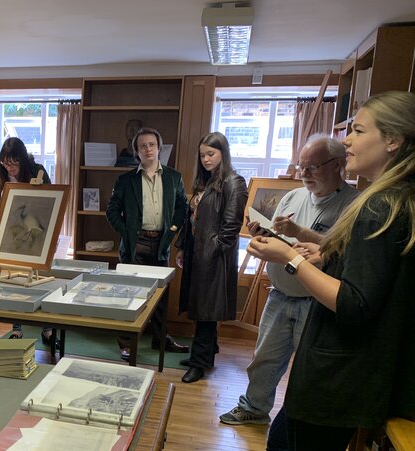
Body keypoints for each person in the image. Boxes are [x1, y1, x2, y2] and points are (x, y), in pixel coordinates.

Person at [242, 91, 415, 451]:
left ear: (394, 140)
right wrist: (316, 248)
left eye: (358, 130)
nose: (348, 139)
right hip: (361, 368)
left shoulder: (379, 205)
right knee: (288, 447)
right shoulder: (396, 200)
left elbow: (358, 302)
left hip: (340, 367)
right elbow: (371, 277)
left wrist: (290, 260)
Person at [219, 135, 359, 425]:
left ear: (337, 166)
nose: (303, 173)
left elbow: (347, 251)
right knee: (264, 359)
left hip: (317, 301)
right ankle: (254, 408)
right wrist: (262, 233)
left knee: (311, 367)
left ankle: (304, 419)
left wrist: (301, 232)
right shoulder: (293, 196)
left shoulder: (355, 205)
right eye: (300, 166)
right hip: (280, 293)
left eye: (312, 167)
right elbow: (278, 239)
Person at [106, 126, 189, 361]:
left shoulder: (174, 177)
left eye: (152, 144)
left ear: (159, 148)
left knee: (160, 297)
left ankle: (160, 338)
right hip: (135, 244)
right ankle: (126, 343)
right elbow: (111, 210)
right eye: (142, 146)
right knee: (128, 294)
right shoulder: (125, 180)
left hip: (161, 243)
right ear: (137, 151)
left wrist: (172, 230)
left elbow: (183, 206)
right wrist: (126, 232)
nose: (148, 149)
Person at [176, 131, 247, 383]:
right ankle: (205, 354)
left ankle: (199, 362)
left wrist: (212, 251)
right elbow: (192, 220)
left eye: (211, 154)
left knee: (206, 311)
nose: (206, 159)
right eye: (202, 155)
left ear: (222, 153)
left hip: (214, 258)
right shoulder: (205, 183)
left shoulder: (233, 182)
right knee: (200, 308)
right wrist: (184, 247)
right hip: (197, 253)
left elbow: (231, 228)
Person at [0, 137, 51, 340]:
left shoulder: (37, 170)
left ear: (23, 160)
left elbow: (50, 202)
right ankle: (16, 328)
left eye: (14, 163)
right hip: (12, 233)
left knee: (40, 281)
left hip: (37, 231)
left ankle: (46, 327)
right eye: (6, 163)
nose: (10, 167)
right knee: (15, 281)